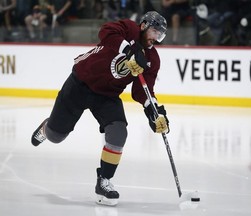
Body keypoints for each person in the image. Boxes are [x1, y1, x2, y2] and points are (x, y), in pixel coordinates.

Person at [31, 11, 169, 206]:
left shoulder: (151, 59)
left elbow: (142, 91)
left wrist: (153, 111)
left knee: (119, 132)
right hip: (81, 82)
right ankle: (47, 128)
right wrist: (129, 50)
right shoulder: (129, 28)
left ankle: (104, 181)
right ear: (144, 25)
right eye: (155, 31)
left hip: (107, 95)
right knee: (56, 136)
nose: (156, 38)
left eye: (160, 35)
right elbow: (106, 32)